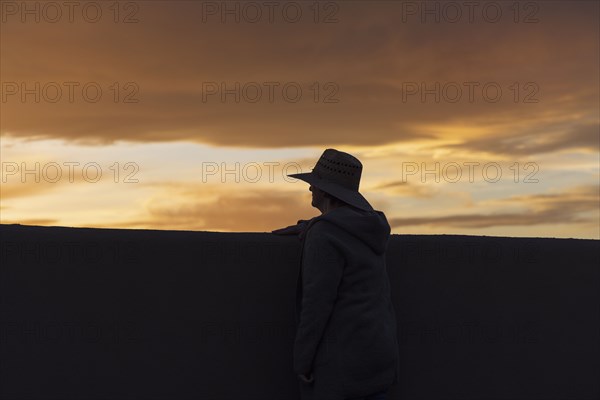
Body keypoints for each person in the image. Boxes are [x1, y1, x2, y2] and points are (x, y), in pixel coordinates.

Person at [272, 149, 400, 400]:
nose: (310, 190)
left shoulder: (324, 236)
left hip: (344, 359)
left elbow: (316, 304)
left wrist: (303, 361)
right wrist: (312, 225)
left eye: (314, 185)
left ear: (324, 191)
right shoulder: (368, 229)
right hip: (379, 352)